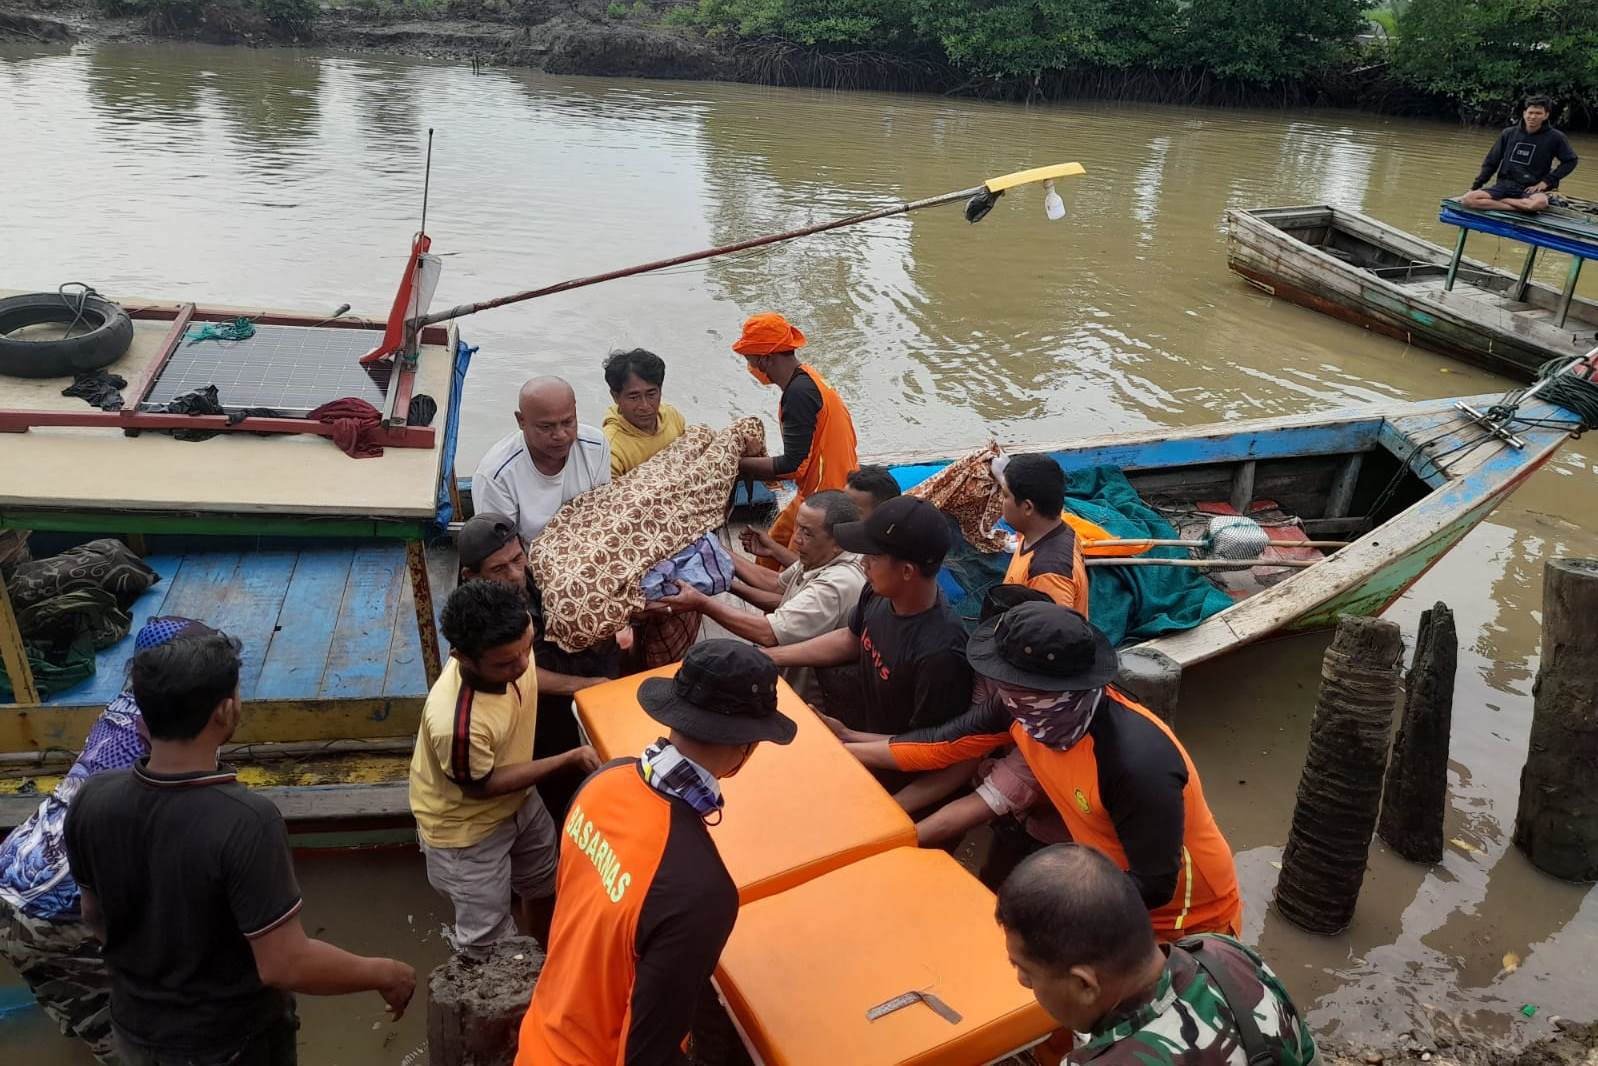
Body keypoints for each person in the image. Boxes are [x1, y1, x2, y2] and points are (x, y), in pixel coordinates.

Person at [62, 633, 415, 1065]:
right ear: (226, 710)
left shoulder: (92, 799)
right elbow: (284, 964)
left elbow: (93, 915)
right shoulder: (246, 820)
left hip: (135, 1027)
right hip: (229, 1044)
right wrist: (385, 972)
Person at [842, 602, 1242, 940]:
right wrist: (845, 745)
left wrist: (1051, 909)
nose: (993, 685)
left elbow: (1155, 884)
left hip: (1184, 918)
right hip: (1107, 880)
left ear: (1044, 687)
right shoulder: (1022, 712)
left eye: (1003, 677)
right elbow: (939, 745)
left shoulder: (1134, 762)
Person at [514, 640, 798, 1065]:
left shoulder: (603, 781)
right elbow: (650, 1054)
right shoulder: (702, 891)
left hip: (539, 1039)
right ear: (747, 748)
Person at [0, 617, 214, 1064]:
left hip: (11, 877)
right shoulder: (173, 740)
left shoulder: (124, 706)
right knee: (129, 1036)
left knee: (66, 991)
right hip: (57, 910)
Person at [409, 580, 600, 953]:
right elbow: (482, 786)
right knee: (486, 943)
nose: (522, 664)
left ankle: (548, 959)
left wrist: (586, 684)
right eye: (505, 663)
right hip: (466, 832)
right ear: (463, 657)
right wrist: (570, 758)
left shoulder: (512, 652)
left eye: (527, 648)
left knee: (545, 884)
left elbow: (527, 672)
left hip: (521, 801)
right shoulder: (458, 724)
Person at [997, 844, 1317, 1065]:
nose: (1022, 980)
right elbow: (1307, 1053)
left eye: (1024, 969)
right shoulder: (1222, 951)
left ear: (1085, 985)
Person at [765, 495, 972, 736]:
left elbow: (929, 745)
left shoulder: (941, 653)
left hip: (894, 765)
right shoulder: (880, 593)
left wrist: (848, 739)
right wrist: (770, 657)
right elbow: (851, 638)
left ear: (907, 571)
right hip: (863, 729)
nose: (863, 563)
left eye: (873, 556)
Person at [657, 491, 867, 707]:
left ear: (839, 541)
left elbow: (768, 633)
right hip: (784, 680)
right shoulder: (819, 557)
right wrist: (714, 549)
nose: (796, 539)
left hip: (809, 702)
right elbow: (775, 585)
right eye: (797, 527)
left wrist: (702, 602)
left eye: (807, 533)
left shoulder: (836, 583)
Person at [732, 312, 859, 568]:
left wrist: (738, 464)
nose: (751, 367)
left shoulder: (799, 395)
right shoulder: (807, 378)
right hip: (814, 488)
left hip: (826, 498)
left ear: (766, 359)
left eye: (750, 359)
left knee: (793, 572)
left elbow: (791, 465)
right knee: (768, 551)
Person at [473, 376, 611, 546]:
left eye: (568, 422)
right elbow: (501, 551)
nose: (560, 435)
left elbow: (602, 515)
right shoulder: (495, 476)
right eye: (546, 427)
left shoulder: (596, 445)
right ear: (521, 421)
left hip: (589, 549)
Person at [741, 463, 900, 570]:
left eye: (853, 511)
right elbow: (802, 571)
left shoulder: (867, 562)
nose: (842, 514)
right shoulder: (845, 537)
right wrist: (772, 548)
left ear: (882, 515)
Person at [996, 453, 1090, 617]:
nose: (999, 501)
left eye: (1005, 495)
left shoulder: (1048, 575)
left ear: (1027, 507)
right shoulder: (1043, 530)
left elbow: (1052, 636)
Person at [1462, 95, 1579, 214]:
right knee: (1468, 199)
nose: (1533, 117)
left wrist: (1546, 182)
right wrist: (1476, 186)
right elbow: (1492, 162)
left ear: (1546, 115)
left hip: (1531, 189)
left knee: (1539, 203)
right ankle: (1517, 205)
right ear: (1524, 113)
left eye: (1538, 113)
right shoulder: (1508, 133)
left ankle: (1504, 202)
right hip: (1505, 186)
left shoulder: (1555, 137)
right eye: (1530, 112)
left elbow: (1571, 160)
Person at [601, 348, 686, 478]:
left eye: (651, 394)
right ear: (615, 397)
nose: (645, 406)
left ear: (660, 390)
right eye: (634, 397)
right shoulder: (610, 449)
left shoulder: (672, 416)